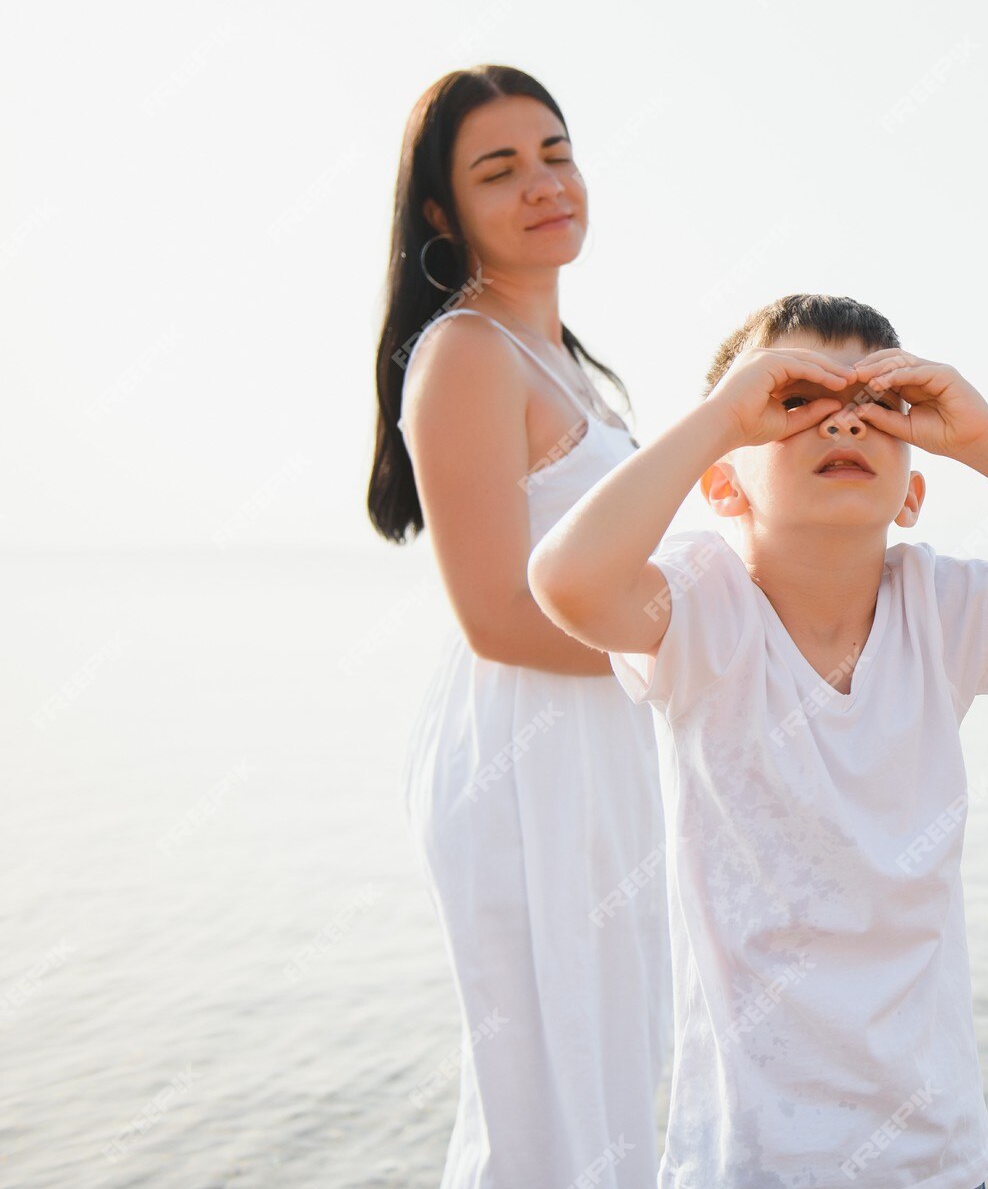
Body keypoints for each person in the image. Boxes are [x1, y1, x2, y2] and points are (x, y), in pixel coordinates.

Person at [527, 293, 988, 1187]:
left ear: (913, 492)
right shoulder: (701, 609)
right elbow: (566, 580)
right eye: (794, 399)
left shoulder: (942, 608)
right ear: (724, 481)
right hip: (752, 1160)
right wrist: (724, 415)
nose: (843, 417)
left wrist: (985, 435)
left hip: (935, 1154)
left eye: (881, 409)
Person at [366, 65, 669, 1188]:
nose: (544, 183)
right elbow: (496, 615)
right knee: (540, 1093)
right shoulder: (463, 354)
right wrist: (696, 651)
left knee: (607, 1064)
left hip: (596, 734)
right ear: (442, 212)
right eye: (500, 169)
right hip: (522, 747)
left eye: (556, 152)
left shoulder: (574, 367)